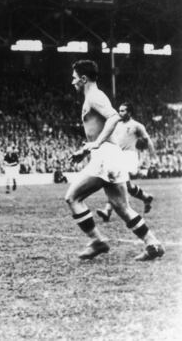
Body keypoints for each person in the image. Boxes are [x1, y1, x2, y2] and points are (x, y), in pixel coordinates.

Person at [65, 60, 164, 261]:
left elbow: (113, 118)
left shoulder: (94, 96)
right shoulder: (92, 97)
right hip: (111, 155)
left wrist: (96, 144)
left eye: (74, 78)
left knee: (73, 198)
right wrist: (85, 150)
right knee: (121, 207)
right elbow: (98, 132)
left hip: (105, 156)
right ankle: (152, 243)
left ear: (83, 79)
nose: (72, 82)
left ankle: (97, 241)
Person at [96, 102, 156, 222]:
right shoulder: (116, 124)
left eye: (123, 111)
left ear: (129, 112)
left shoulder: (136, 125)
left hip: (129, 156)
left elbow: (147, 140)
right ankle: (146, 197)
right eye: (120, 110)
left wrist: (153, 155)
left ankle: (107, 210)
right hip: (118, 156)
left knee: (116, 182)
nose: (120, 113)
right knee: (125, 185)